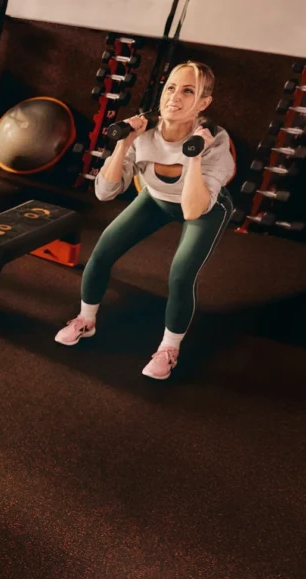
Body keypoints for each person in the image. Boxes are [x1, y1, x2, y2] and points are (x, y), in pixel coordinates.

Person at [55, 62, 235, 380]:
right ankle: (86, 320)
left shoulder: (214, 140)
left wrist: (193, 155)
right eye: (170, 88)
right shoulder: (143, 134)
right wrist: (124, 143)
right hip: (155, 198)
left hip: (205, 207)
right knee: (101, 253)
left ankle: (169, 349)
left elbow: (193, 209)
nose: (174, 98)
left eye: (188, 91)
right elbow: (105, 192)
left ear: (204, 103)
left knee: (180, 276)